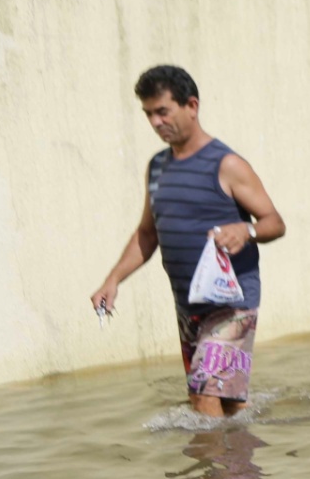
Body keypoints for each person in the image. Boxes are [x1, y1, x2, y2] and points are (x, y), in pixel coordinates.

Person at [90, 66, 286, 418]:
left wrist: (247, 230)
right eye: (148, 114)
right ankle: (239, 468)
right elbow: (148, 233)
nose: (155, 122)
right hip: (187, 305)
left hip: (232, 302)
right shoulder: (157, 167)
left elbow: (274, 222)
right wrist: (113, 279)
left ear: (191, 106)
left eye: (162, 111)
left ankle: (211, 472)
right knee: (227, 402)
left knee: (202, 396)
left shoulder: (227, 164)